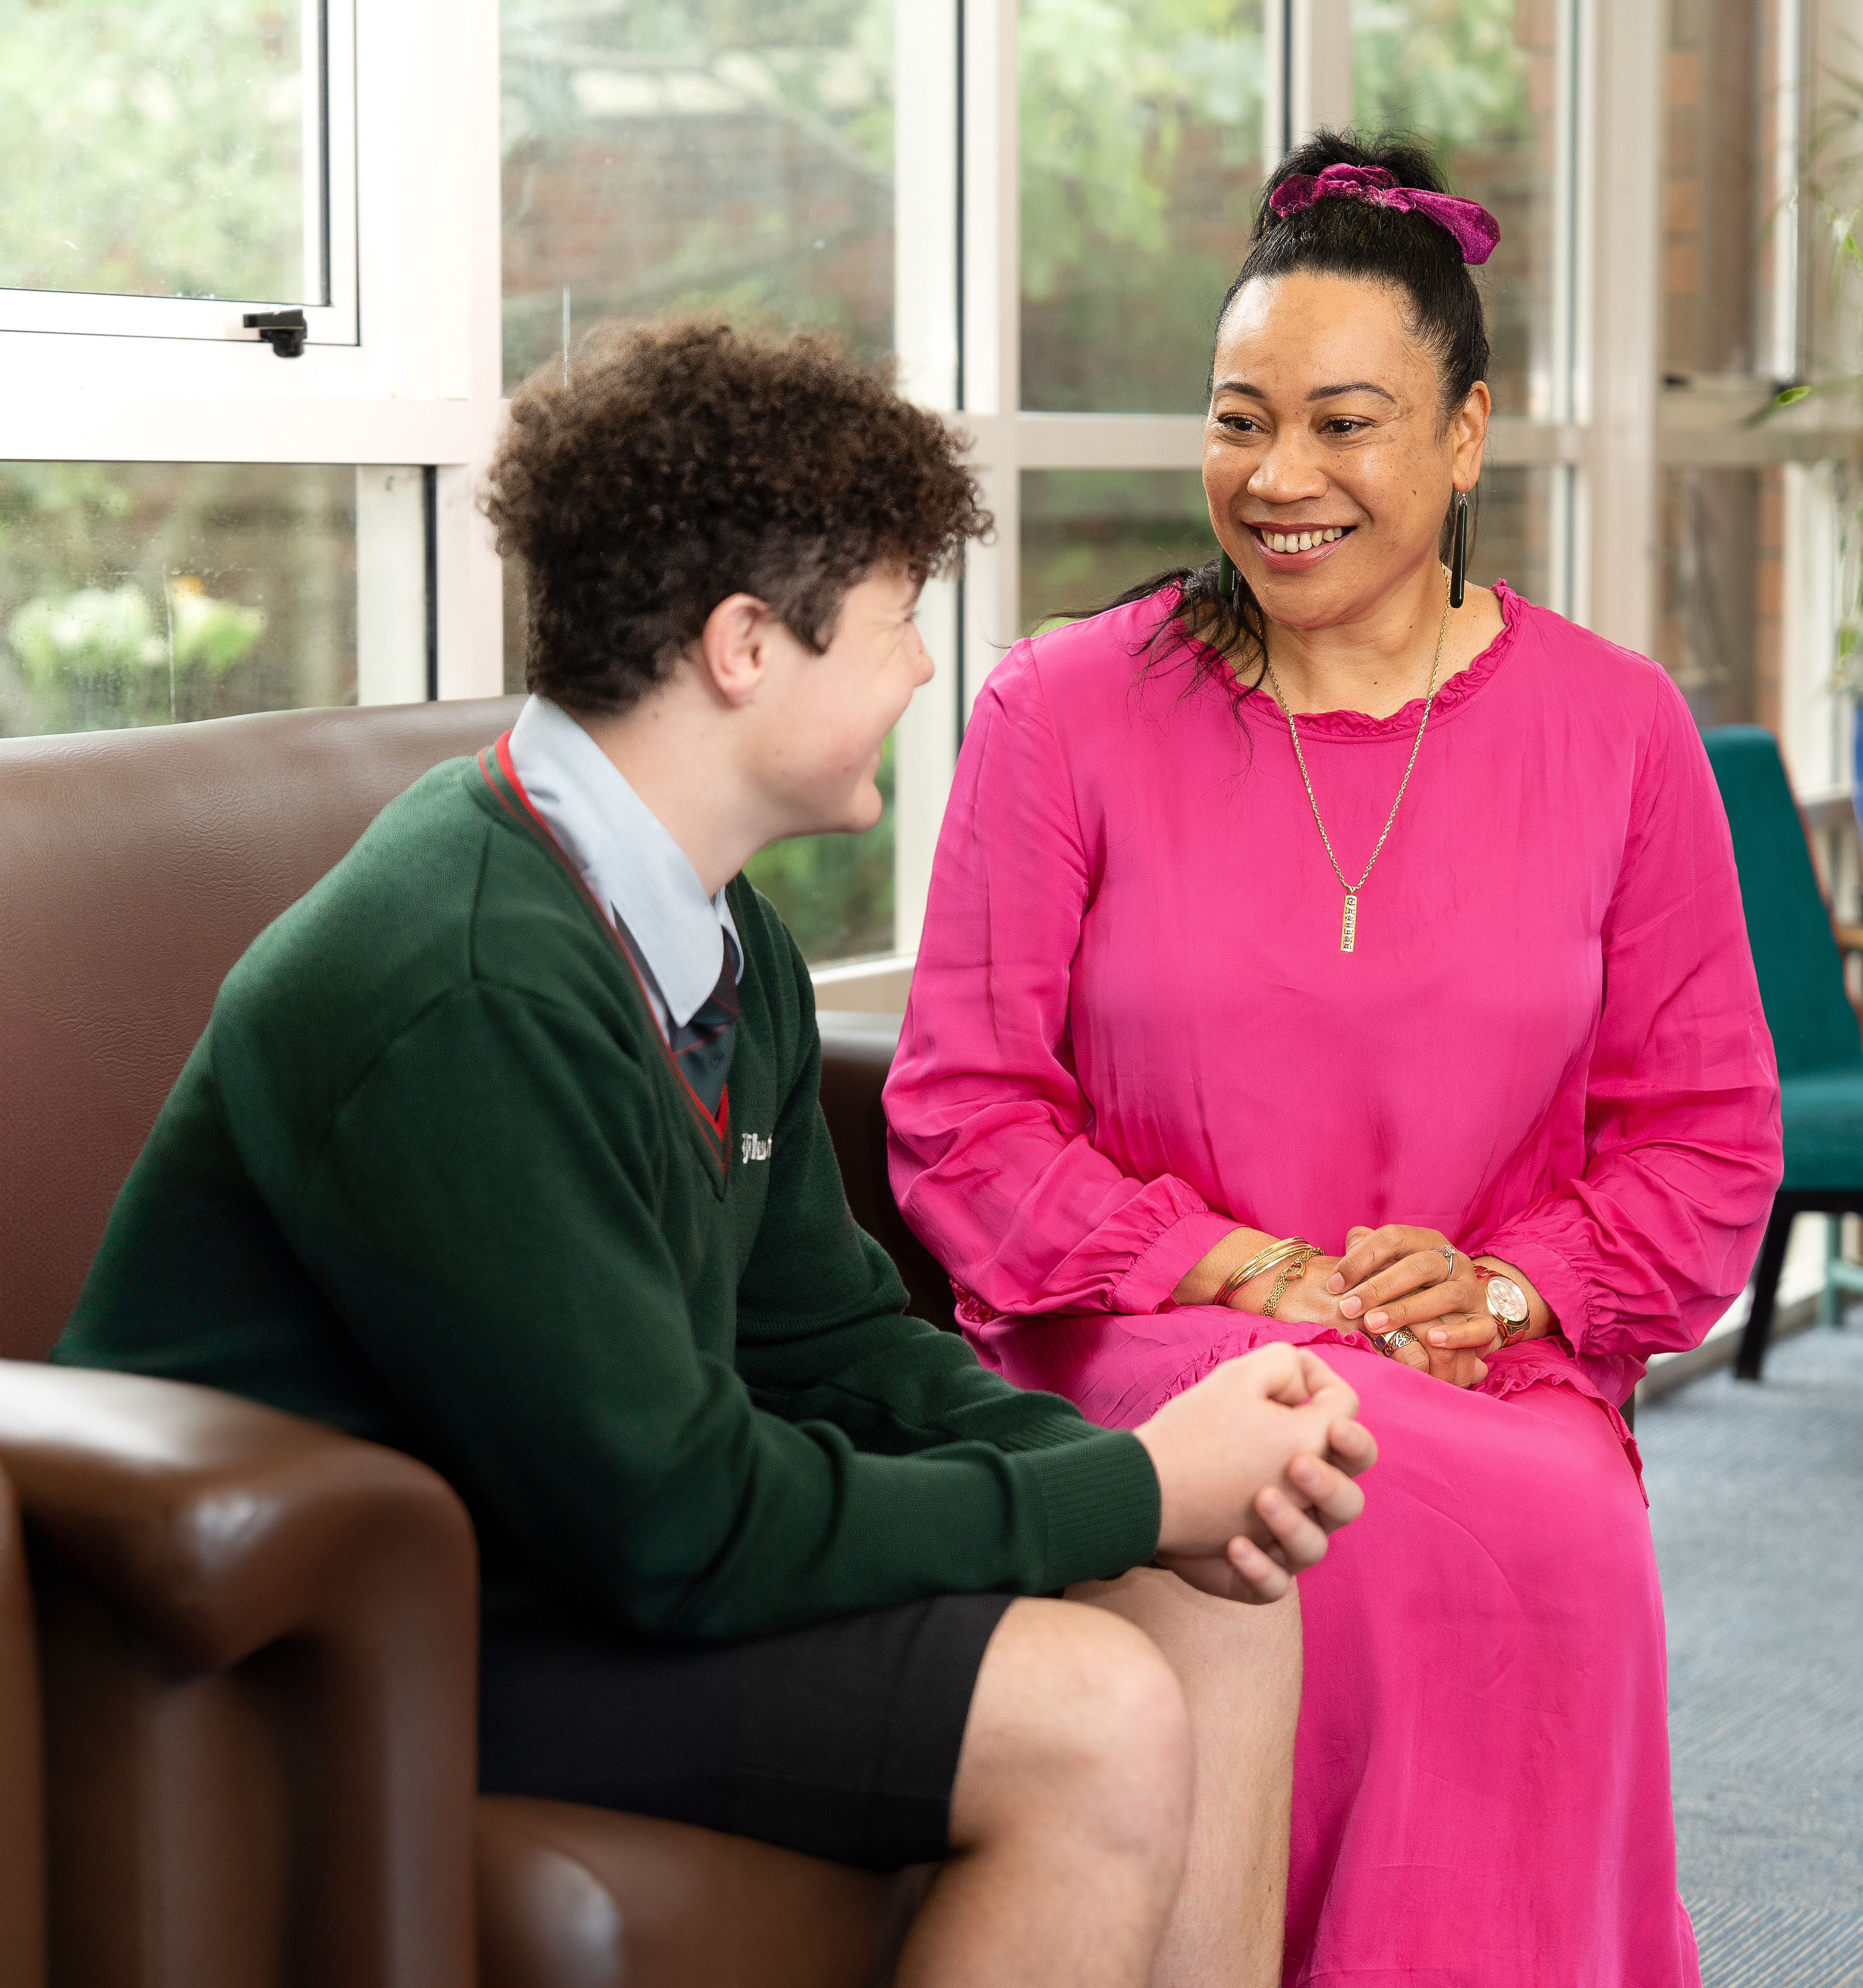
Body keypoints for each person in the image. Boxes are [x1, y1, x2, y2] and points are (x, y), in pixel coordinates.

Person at [54, 321, 1382, 1988]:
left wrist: (1157, 1480)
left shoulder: (706, 924)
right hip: (335, 1637)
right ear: (749, 646)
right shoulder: (466, 975)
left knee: (1215, 1612)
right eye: (901, 621)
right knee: (1094, 1714)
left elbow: (825, 1340)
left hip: (559, 1555)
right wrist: (1125, 1486)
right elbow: (678, 1525)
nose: (919, 671)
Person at [885, 132, 1784, 1988]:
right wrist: (1242, 1266)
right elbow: (964, 1110)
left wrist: (1518, 1284)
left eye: (1346, 423)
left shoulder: (1621, 734)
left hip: (1482, 1359)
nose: (1278, 478)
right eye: (1239, 419)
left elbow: (1706, 1146)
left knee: (1548, 1524)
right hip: (1144, 1326)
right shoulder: (1059, 712)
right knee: (1320, 1483)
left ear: (1465, 437)